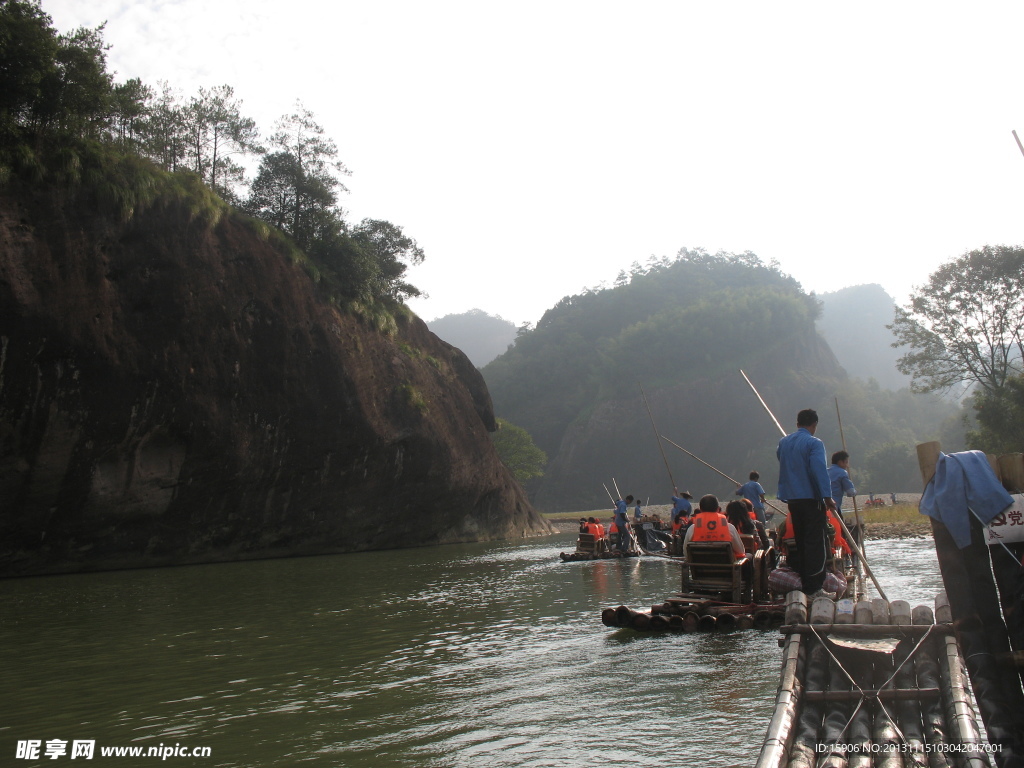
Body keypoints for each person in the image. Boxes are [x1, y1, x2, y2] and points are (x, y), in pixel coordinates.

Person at [776, 408, 836, 597]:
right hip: (811, 499)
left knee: (802, 542)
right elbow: (819, 470)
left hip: (793, 499)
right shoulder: (814, 443)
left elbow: (781, 458)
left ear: (797, 424)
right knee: (815, 543)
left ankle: (805, 583)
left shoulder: (784, 442)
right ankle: (814, 588)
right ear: (814, 425)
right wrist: (827, 496)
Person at [683, 494, 746, 560]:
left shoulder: (692, 529)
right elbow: (741, 551)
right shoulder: (729, 528)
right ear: (718, 509)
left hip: (700, 569)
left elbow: (686, 553)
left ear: (700, 510)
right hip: (726, 568)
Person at [827, 451, 857, 522]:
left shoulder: (826, 471)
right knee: (839, 529)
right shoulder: (842, 473)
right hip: (834, 506)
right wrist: (854, 491)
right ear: (840, 462)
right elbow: (850, 492)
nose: (847, 465)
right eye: (846, 462)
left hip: (824, 506)